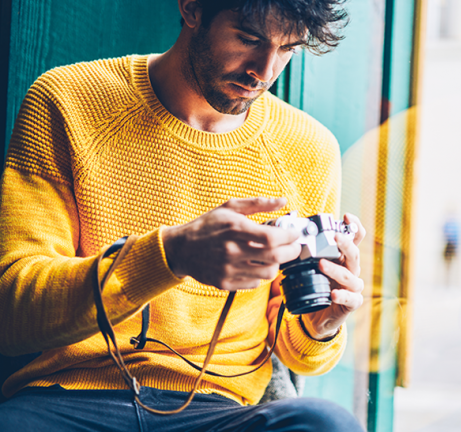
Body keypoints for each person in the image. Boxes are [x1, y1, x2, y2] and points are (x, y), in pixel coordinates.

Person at [0, 0, 366, 430]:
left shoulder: (309, 148)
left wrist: (319, 327)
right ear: (192, 8)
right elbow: (12, 314)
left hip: (221, 410)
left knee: (324, 423)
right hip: (68, 399)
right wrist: (171, 256)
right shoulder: (68, 100)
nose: (264, 72)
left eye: (288, 48)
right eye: (248, 38)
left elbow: (296, 351)